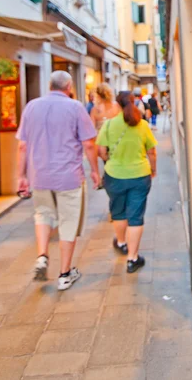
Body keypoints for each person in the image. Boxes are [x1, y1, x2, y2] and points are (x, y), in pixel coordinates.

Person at [16, 71, 100, 290]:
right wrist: (94, 171)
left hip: (39, 175)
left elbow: (22, 145)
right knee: (68, 222)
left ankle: (42, 255)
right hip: (69, 177)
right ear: (69, 86)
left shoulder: (31, 107)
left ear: (49, 85)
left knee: (43, 214)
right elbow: (89, 144)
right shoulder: (75, 108)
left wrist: (21, 176)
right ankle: (64, 274)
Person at [97, 91, 157, 273]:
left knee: (118, 212)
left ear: (117, 104)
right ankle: (132, 258)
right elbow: (152, 152)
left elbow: (101, 151)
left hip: (114, 176)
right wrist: (153, 169)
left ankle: (121, 242)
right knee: (136, 216)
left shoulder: (109, 125)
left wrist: (110, 160)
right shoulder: (143, 125)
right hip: (139, 174)